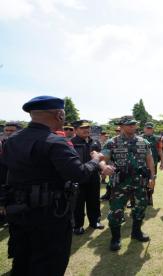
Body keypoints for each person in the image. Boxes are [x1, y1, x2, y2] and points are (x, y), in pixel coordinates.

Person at [0, 96, 113, 276]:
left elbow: (3, 174)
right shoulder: (55, 141)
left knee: (22, 261)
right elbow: (79, 174)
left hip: (19, 212)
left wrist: (3, 202)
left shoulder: (13, 140)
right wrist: (94, 160)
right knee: (49, 264)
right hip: (49, 216)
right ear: (59, 115)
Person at [102, 116, 156, 251]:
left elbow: (149, 160)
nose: (133, 127)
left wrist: (152, 177)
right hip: (120, 184)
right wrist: (104, 167)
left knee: (140, 207)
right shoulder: (112, 142)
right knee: (116, 211)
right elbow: (103, 158)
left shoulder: (143, 142)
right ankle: (115, 238)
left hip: (139, 182)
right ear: (121, 126)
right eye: (129, 125)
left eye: (134, 124)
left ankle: (136, 232)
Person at [71, 120, 105, 235]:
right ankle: (77, 225)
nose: (86, 130)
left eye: (88, 127)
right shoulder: (71, 143)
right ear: (75, 130)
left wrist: (103, 169)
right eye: (82, 128)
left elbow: (100, 158)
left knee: (94, 200)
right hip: (78, 177)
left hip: (93, 176)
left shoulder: (94, 142)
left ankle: (95, 221)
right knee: (78, 203)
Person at [142, 122, 163, 206]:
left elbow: (160, 150)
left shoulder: (157, 138)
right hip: (141, 163)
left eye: (150, 128)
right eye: (147, 128)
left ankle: (150, 196)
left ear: (153, 129)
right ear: (144, 129)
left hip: (153, 163)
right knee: (140, 180)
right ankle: (141, 197)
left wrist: (162, 162)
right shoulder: (139, 138)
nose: (148, 130)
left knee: (152, 179)